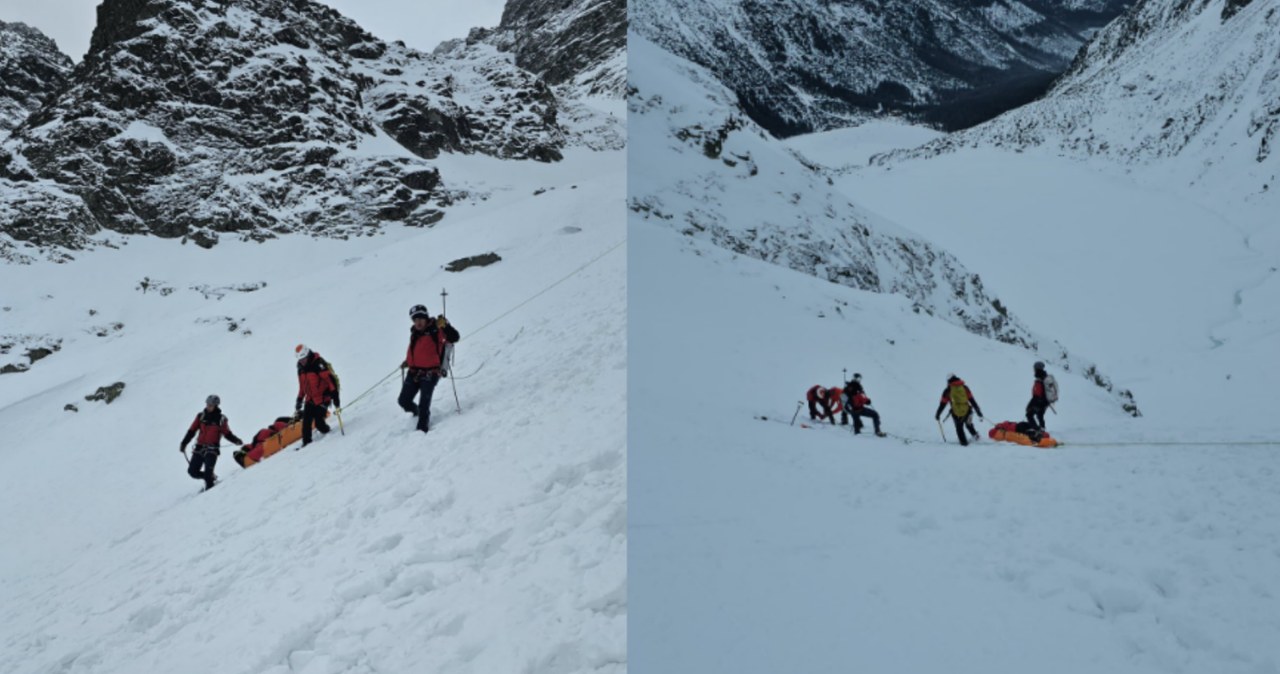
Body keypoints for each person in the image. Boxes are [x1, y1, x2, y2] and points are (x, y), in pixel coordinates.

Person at [399, 304, 461, 434]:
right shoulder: (414, 332)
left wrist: (446, 326)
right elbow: (416, 350)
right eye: (415, 320)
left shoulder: (436, 329)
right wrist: (409, 361)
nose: (418, 322)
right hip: (414, 372)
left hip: (431, 373)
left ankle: (422, 431)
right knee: (403, 400)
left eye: (420, 319)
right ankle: (416, 412)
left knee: (424, 404)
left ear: (426, 318)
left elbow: (455, 337)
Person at [180, 394, 242, 490]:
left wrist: (236, 441)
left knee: (208, 476)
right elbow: (191, 431)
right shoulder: (201, 416)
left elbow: (227, 434)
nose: (208, 407)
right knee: (192, 472)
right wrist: (184, 443)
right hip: (199, 448)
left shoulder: (221, 419)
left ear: (216, 406)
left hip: (212, 449)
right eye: (207, 404)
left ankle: (210, 492)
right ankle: (210, 478)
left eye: (210, 405)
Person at [295, 344, 339, 447]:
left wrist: (335, 396)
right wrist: (299, 399)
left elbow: (330, 381)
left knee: (319, 424)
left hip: (323, 398)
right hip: (310, 399)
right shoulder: (300, 369)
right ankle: (306, 444)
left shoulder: (318, 364)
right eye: (300, 360)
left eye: (304, 359)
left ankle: (329, 433)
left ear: (308, 354)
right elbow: (302, 386)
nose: (302, 361)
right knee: (306, 423)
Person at [935, 374, 984, 446]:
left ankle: (964, 443)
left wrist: (938, 414)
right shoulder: (965, 388)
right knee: (969, 425)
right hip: (968, 411)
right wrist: (978, 411)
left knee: (959, 428)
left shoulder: (947, 390)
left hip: (956, 413)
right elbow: (972, 400)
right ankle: (976, 436)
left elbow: (943, 404)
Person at [1026, 361, 1050, 430]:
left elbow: (1038, 392)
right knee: (1040, 415)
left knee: (1029, 414)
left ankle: (1036, 430)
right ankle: (1042, 429)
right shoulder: (1045, 376)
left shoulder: (1040, 377)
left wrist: (1033, 402)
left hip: (1039, 400)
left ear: (1037, 368)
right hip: (1045, 401)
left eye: (1034, 368)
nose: (1033, 369)